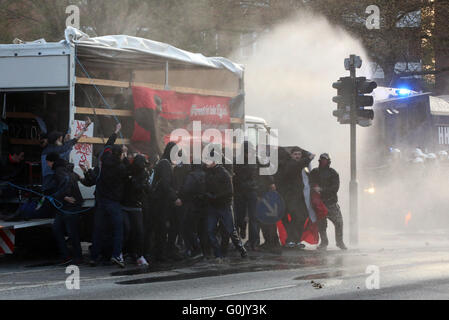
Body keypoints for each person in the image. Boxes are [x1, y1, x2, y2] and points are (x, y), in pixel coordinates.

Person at [89, 138, 128, 268]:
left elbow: (107, 146)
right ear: (120, 154)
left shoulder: (105, 160)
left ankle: (94, 257)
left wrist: (114, 134)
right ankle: (116, 255)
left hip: (101, 201)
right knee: (118, 230)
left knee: (98, 229)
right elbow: (128, 171)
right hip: (114, 202)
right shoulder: (121, 167)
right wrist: (126, 156)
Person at [204, 148, 247, 263]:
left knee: (230, 231)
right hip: (212, 207)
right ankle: (218, 254)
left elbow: (229, 191)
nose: (206, 162)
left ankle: (241, 250)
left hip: (224, 206)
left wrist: (215, 197)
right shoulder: (207, 173)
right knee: (210, 231)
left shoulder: (224, 174)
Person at [46, 152, 84, 266]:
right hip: (67, 206)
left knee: (69, 232)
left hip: (69, 205)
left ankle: (76, 257)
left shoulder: (59, 171)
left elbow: (66, 182)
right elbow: (77, 178)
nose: (47, 165)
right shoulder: (67, 168)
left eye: (47, 163)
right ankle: (67, 256)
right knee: (61, 229)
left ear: (50, 161)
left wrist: (64, 196)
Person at [151, 142, 182, 262]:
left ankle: (166, 251)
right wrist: (175, 198)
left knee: (165, 227)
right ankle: (162, 254)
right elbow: (165, 184)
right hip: (161, 202)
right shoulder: (165, 164)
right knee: (162, 228)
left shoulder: (165, 163)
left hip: (162, 201)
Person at [278, 147, 315, 248]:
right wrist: (308, 157)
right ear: (291, 155)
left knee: (302, 217)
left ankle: (296, 240)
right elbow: (297, 165)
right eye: (295, 154)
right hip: (290, 197)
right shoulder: (290, 164)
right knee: (295, 217)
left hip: (300, 197)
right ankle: (290, 240)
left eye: (299, 154)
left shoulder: (302, 166)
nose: (297, 156)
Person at [41, 117, 92, 190]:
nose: (62, 141)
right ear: (58, 140)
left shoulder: (46, 150)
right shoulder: (60, 150)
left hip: (46, 183)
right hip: (55, 184)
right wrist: (85, 127)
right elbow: (75, 140)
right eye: (61, 139)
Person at [310, 153, 347, 251]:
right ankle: (324, 242)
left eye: (325, 160)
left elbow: (335, 187)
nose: (323, 161)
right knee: (321, 224)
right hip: (319, 203)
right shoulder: (314, 172)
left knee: (338, 222)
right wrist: (315, 188)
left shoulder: (333, 173)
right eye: (321, 160)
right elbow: (310, 183)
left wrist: (322, 190)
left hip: (331, 203)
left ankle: (339, 242)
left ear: (328, 161)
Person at [122, 154, 150, 267]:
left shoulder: (138, 174)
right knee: (134, 231)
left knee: (135, 231)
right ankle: (135, 254)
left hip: (132, 206)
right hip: (133, 205)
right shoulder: (135, 173)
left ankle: (135, 254)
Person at [233, 141, 260, 250]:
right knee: (239, 217)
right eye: (248, 152)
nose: (250, 153)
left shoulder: (256, 160)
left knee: (253, 218)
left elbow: (262, 174)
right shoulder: (236, 161)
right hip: (239, 192)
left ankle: (253, 242)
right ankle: (242, 230)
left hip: (252, 191)